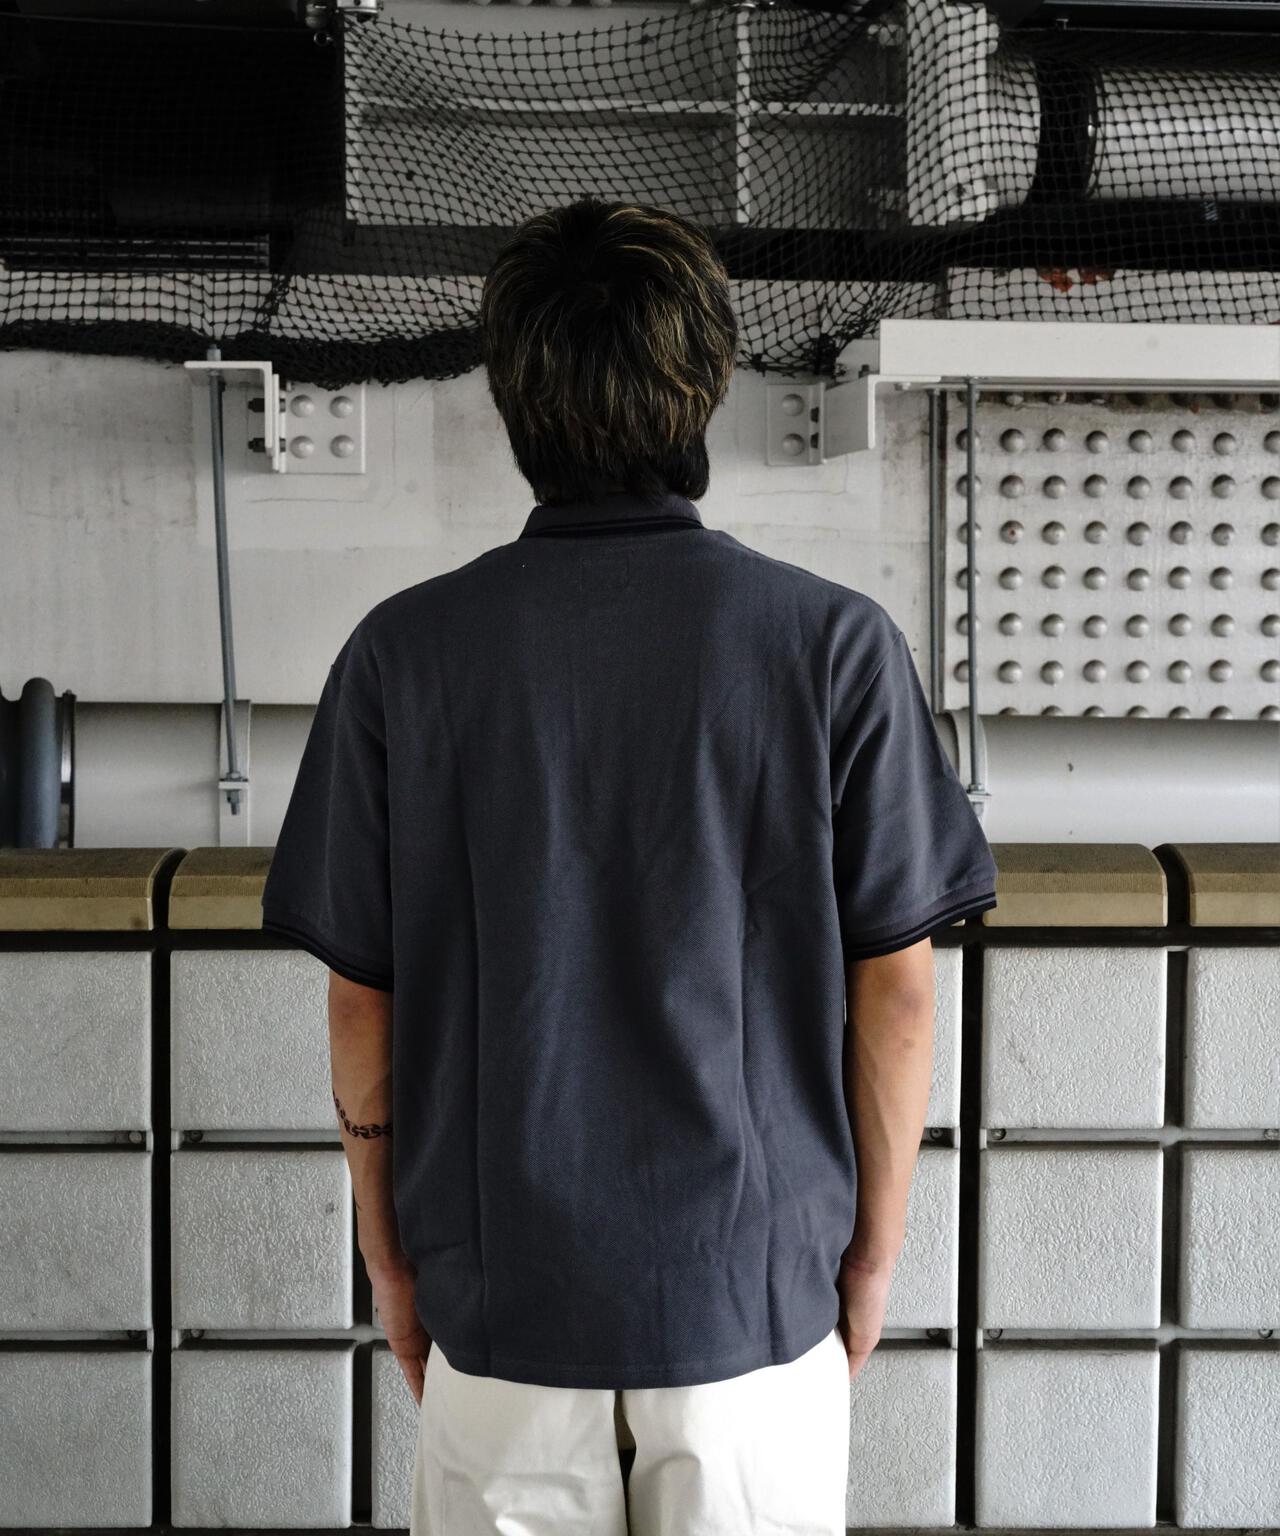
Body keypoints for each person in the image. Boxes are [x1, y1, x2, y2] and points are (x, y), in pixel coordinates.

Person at [260, 195, 999, 1535]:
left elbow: (364, 1001)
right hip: (752, 1308)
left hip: (504, 1308)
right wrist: (871, 1261)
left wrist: (393, 1260)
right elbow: (895, 993)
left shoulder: (403, 656)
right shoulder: (833, 646)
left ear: (511, 397)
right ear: (705, 380)